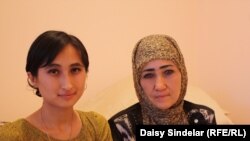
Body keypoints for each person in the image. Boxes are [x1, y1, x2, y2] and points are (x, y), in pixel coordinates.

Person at [0, 30, 113, 141]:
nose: (67, 85)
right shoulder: (12, 136)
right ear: (33, 78)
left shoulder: (97, 126)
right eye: (54, 71)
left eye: (75, 70)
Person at [108, 34, 216, 140]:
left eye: (168, 72)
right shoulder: (121, 126)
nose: (159, 86)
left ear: (182, 74)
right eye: (148, 75)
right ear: (138, 82)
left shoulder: (204, 117)